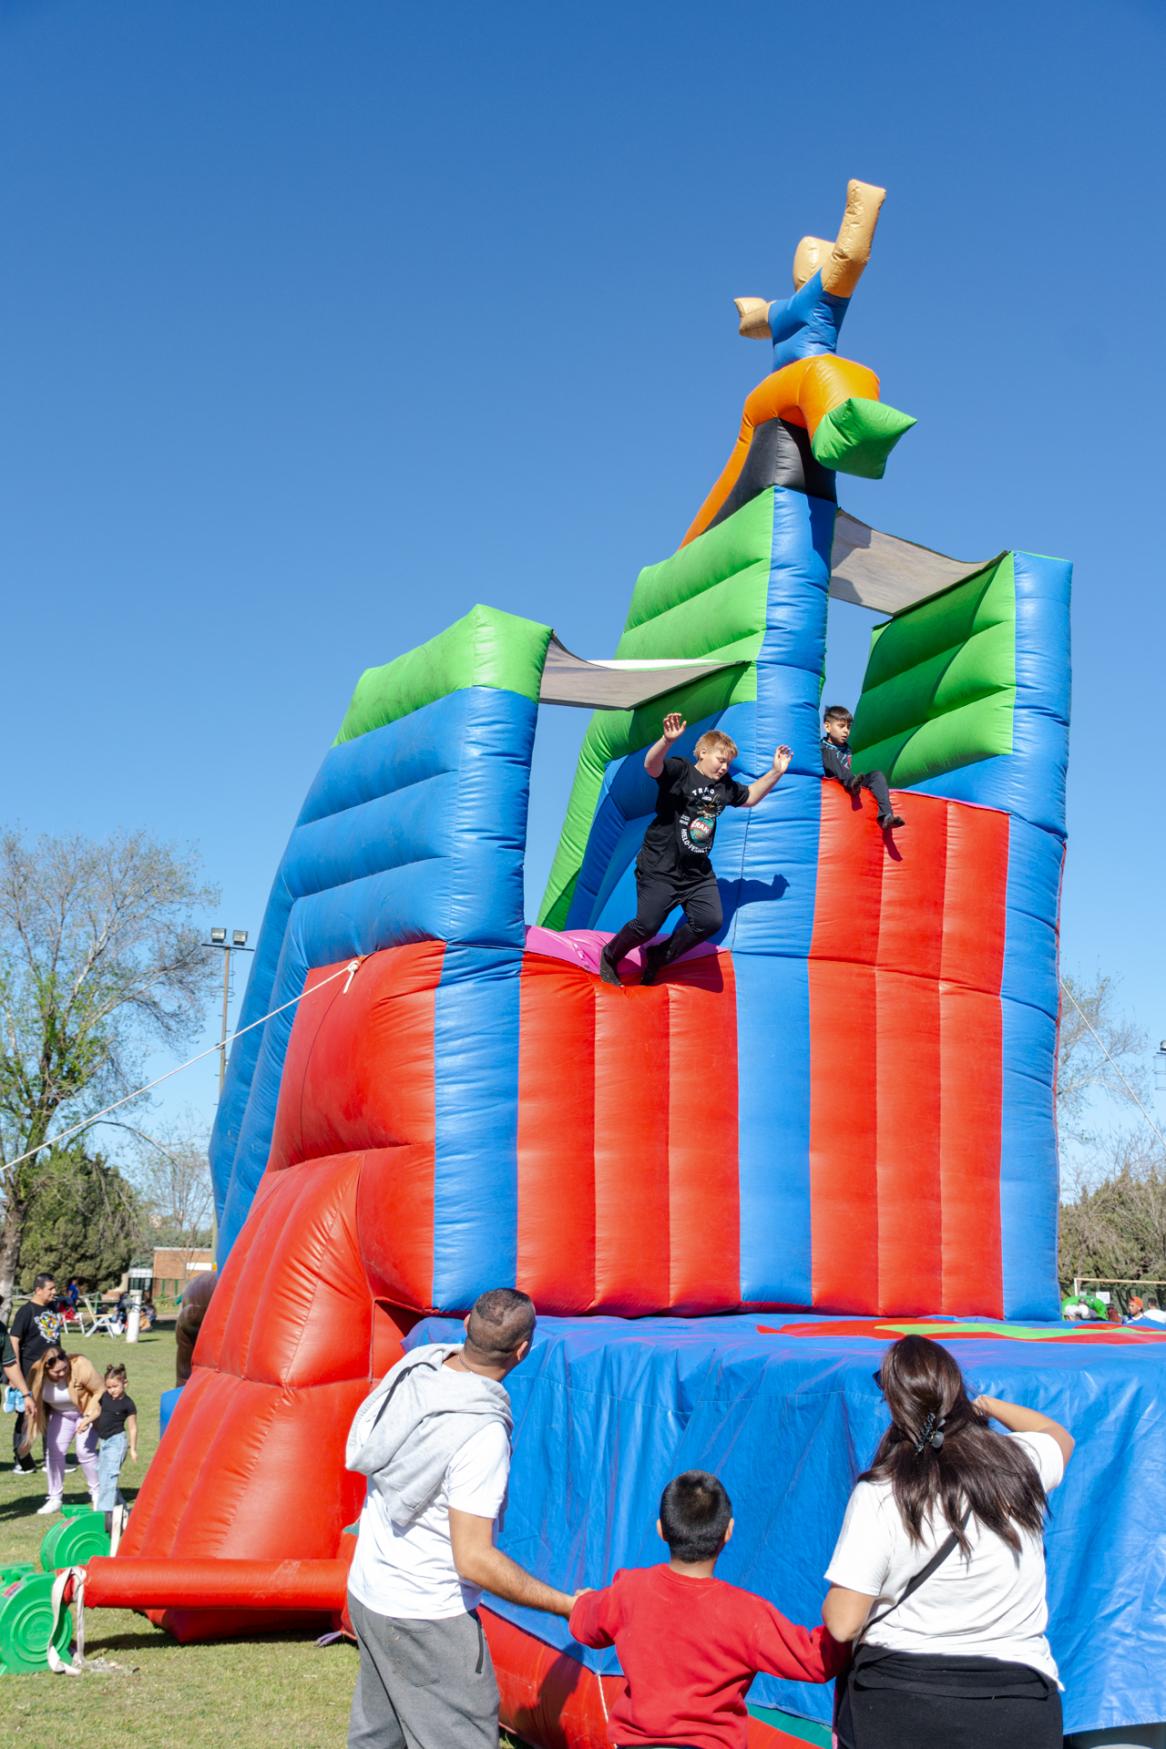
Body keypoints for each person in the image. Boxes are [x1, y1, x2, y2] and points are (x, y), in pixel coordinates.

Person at [345, 1287, 578, 1749]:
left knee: (378, 1739)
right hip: (427, 1616)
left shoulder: (417, 1367)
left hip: (369, 1591)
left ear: (467, 1324)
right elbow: (472, 1558)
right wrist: (567, 1605)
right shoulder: (481, 1434)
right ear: (522, 1351)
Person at [823, 1334, 1074, 1749]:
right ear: (955, 1392)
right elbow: (1058, 1435)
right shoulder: (1020, 1466)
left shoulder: (883, 1491)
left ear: (892, 1403)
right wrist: (986, 1406)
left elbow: (843, 1622)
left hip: (897, 1704)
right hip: (1018, 1704)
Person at [569, 1469, 842, 1749]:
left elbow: (584, 1624)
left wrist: (586, 1601)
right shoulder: (746, 1614)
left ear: (661, 1530)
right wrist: (854, 1614)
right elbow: (815, 1661)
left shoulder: (629, 1590)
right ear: (728, 1532)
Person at [599, 714, 793, 988]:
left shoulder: (724, 788)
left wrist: (775, 772)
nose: (725, 767)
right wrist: (666, 741)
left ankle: (659, 956)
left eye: (728, 762)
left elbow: (749, 797)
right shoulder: (681, 772)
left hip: (696, 874)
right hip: (660, 867)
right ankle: (610, 954)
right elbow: (651, 766)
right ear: (702, 752)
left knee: (709, 920)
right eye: (720, 759)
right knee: (646, 925)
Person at [23, 1342, 104, 1515]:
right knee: (54, 1452)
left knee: (84, 1452)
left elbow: (100, 1390)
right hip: (61, 1414)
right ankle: (55, 1498)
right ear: (46, 1369)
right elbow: (33, 1400)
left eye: (64, 1369)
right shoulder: (36, 1372)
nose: (62, 1373)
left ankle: (98, 1494)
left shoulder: (80, 1365)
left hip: (86, 1412)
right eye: (57, 1371)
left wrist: (89, 1416)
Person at [9, 1272, 65, 1474]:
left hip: (53, 1373)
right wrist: (14, 1374)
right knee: (27, 1415)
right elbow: (14, 1340)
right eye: (50, 1288)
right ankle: (22, 1460)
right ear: (38, 1290)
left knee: (52, 1413)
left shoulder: (52, 1307)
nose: (54, 1292)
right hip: (30, 1374)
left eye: (54, 1288)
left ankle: (53, 1458)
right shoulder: (26, 1311)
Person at [820, 706, 905, 833]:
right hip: (833, 782)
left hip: (849, 781)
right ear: (827, 727)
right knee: (830, 755)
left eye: (848, 727)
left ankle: (886, 816)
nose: (846, 731)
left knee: (876, 776)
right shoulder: (823, 748)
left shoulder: (847, 748)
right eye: (841, 726)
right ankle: (852, 783)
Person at [86, 1361, 138, 1517]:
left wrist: (133, 1449)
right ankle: (123, 1511)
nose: (112, 1390)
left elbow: (133, 1427)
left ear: (125, 1384)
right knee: (104, 1476)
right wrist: (85, 1422)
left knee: (110, 1475)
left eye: (115, 1387)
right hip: (104, 1442)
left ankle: (104, 1514)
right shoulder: (105, 1397)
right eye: (109, 1387)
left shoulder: (128, 1404)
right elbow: (97, 1412)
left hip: (117, 1442)